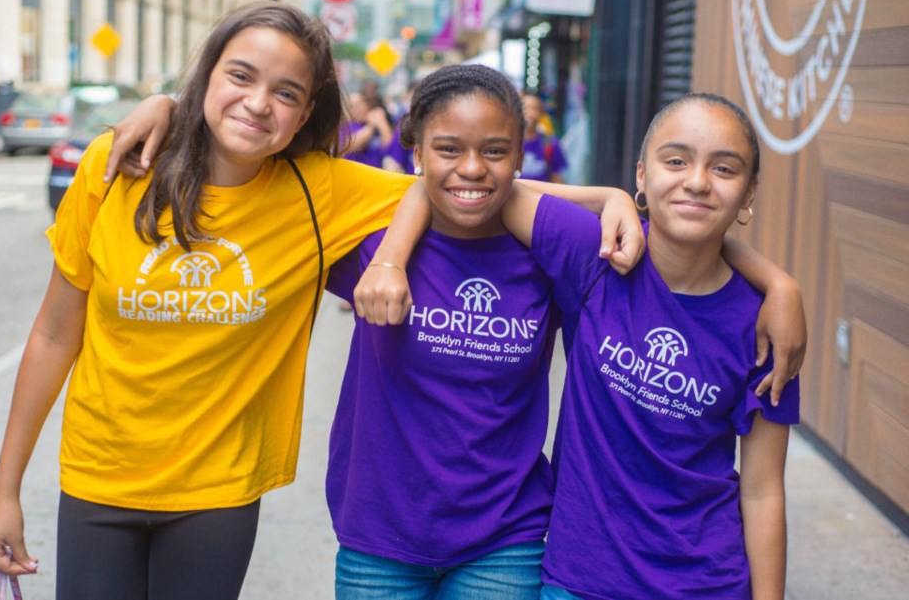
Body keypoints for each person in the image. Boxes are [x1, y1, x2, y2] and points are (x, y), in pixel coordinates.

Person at [0, 1, 420, 600]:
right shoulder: (113, 171)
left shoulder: (320, 192)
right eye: (240, 76)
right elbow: (55, 335)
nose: (259, 103)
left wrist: (597, 201)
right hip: (98, 480)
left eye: (286, 93)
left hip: (218, 495)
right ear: (207, 75)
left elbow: (468, 187)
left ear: (306, 113)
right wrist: (5, 494)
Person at [326, 64, 643, 600]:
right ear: (417, 155)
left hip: (504, 540)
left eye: (495, 151)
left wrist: (774, 285)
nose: (471, 168)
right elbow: (262, 174)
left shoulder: (548, 249)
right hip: (377, 538)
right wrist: (169, 108)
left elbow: (681, 247)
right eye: (448, 149)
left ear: (520, 157)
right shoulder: (372, 244)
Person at [498, 93, 801, 599]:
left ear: (749, 194)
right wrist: (607, 198)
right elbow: (488, 187)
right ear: (643, 175)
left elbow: (764, 490)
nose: (698, 181)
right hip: (579, 579)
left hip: (707, 583)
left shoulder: (766, 325)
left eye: (724, 169)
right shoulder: (597, 257)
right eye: (676, 161)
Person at [519, 93, 567, 184]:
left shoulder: (551, 143)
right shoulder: (509, 143)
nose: (530, 113)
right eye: (525, 108)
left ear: (541, 113)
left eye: (535, 108)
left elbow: (557, 178)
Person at [342, 91, 393, 168]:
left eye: (358, 104)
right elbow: (351, 145)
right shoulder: (345, 127)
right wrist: (372, 125)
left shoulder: (378, 123)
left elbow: (390, 146)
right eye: (351, 106)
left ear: (366, 105)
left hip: (377, 175)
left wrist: (382, 123)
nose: (356, 109)